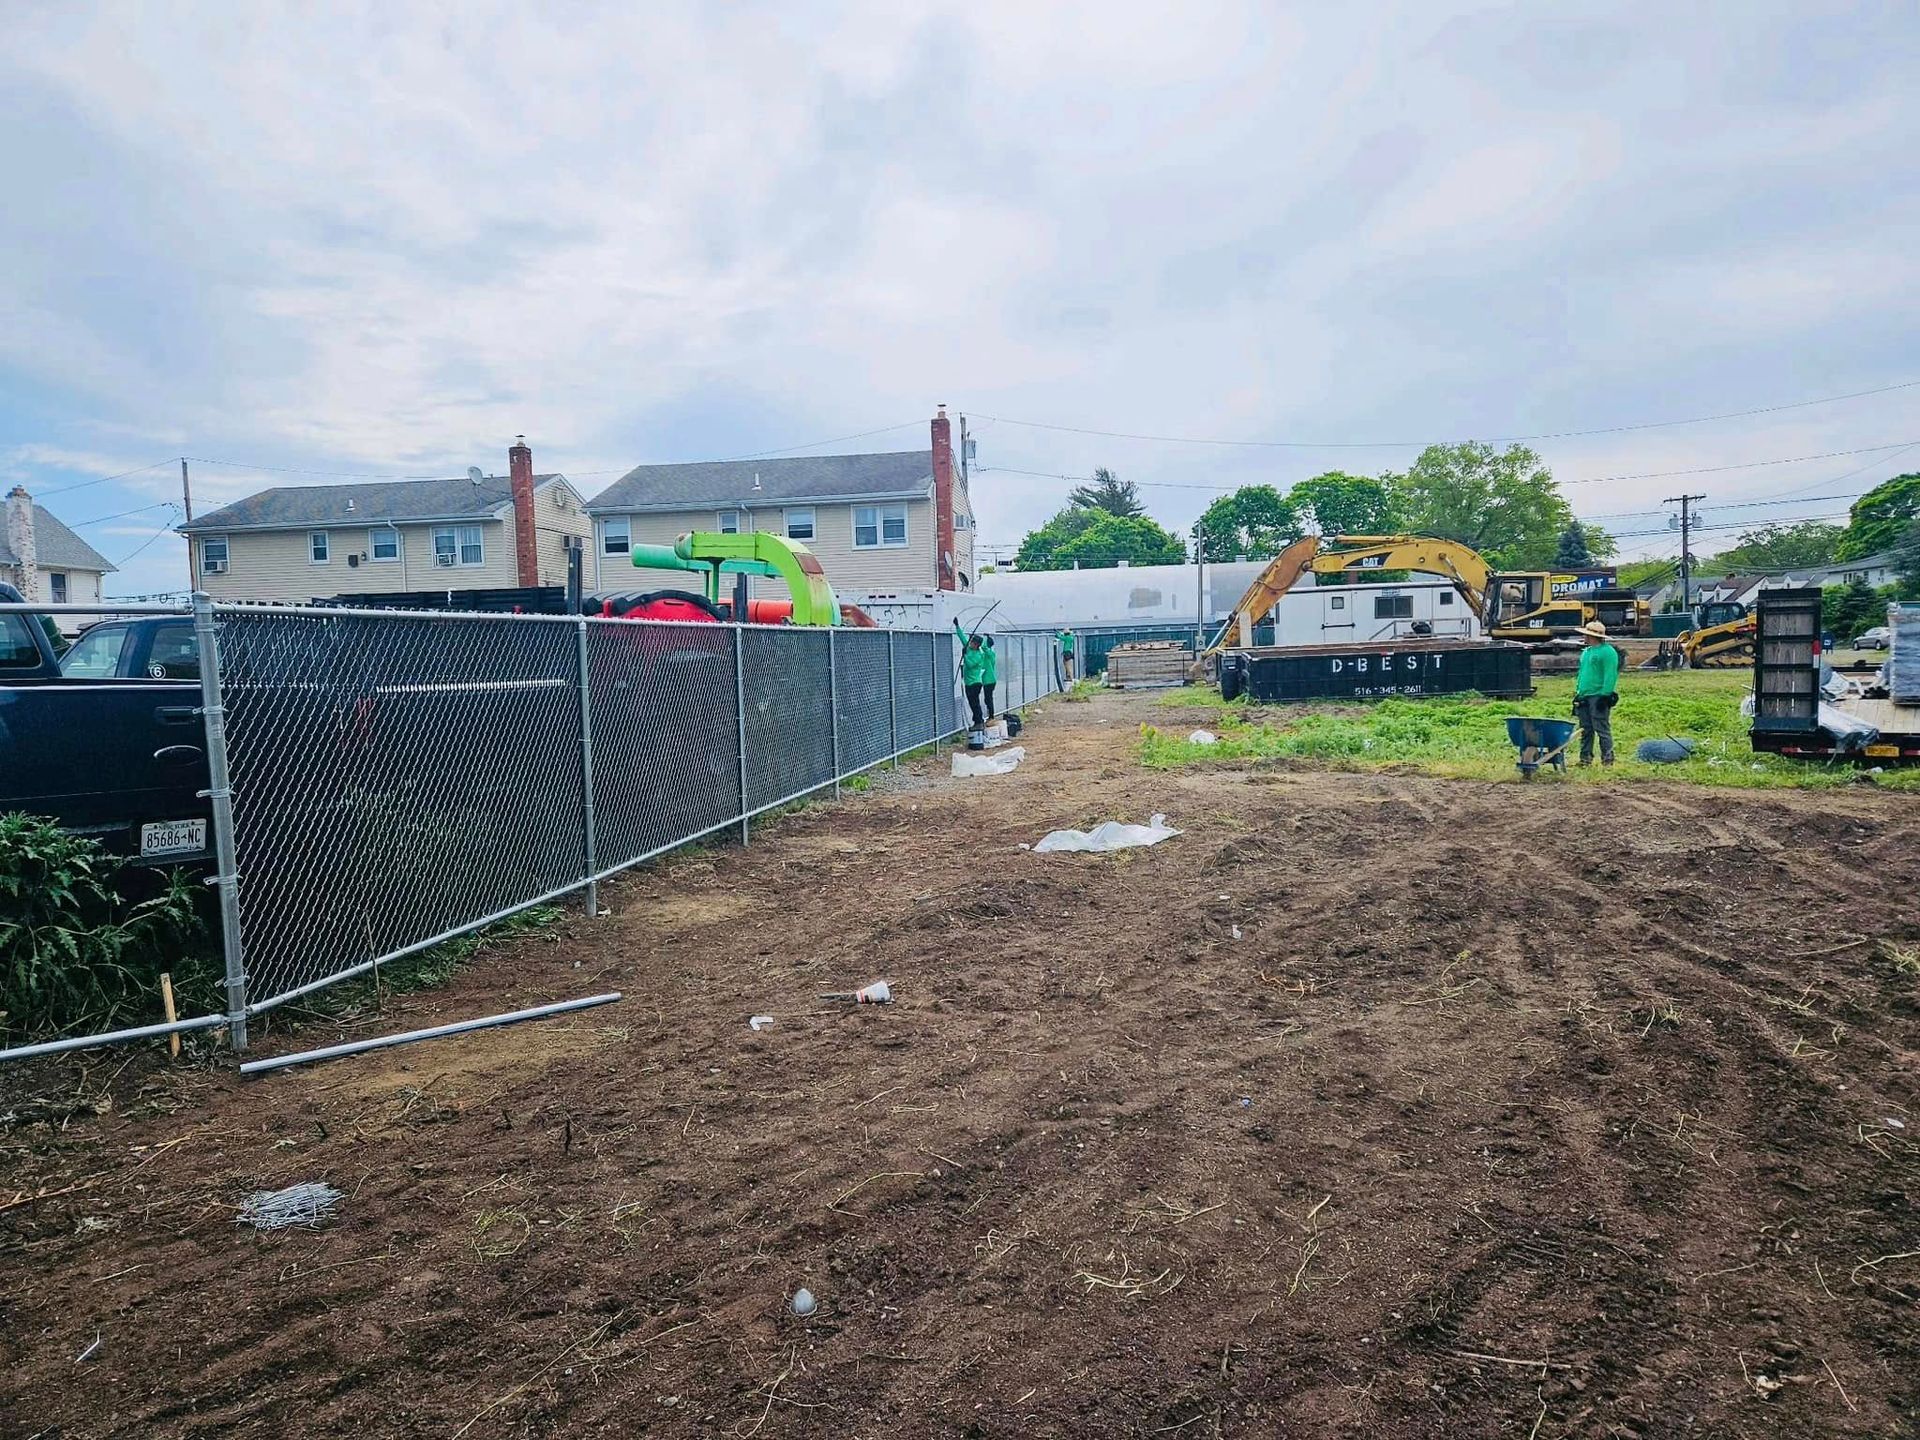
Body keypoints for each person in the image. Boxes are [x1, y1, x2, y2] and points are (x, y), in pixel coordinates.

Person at [1573, 620, 1619, 766]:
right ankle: (1585, 759)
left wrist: (1606, 695)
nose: (1584, 637)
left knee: (1601, 728)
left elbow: (1610, 675)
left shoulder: (1608, 652)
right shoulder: (1586, 652)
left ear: (1591, 636)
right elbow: (1583, 673)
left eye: (1586, 635)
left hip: (1598, 696)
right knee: (1585, 729)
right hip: (1584, 696)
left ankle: (1608, 759)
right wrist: (1578, 692)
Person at [955, 619, 988, 729]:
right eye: (971, 642)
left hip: (975, 683)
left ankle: (979, 722)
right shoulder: (968, 648)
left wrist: (964, 655)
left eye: (973, 643)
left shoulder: (979, 655)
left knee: (974, 703)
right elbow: (962, 637)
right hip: (969, 683)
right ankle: (977, 721)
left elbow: (969, 664)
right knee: (972, 703)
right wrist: (957, 626)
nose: (971, 643)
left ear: (977, 645)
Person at [982, 634, 999, 718]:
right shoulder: (991, 654)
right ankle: (990, 714)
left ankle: (991, 716)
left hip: (988, 680)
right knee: (988, 699)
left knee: (988, 699)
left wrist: (986, 637)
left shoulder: (989, 653)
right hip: (990, 680)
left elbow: (983, 647)